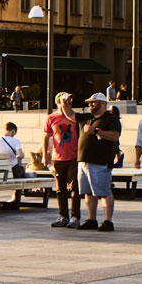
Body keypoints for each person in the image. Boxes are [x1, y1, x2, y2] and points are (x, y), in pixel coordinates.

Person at [77, 94, 121, 232]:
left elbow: (115, 136)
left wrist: (96, 131)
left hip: (100, 162)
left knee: (104, 192)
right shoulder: (87, 118)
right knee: (88, 193)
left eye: (93, 103)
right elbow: (70, 115)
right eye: (89, 103)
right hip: (84, 161)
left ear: (102, 103)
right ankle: (92, 219)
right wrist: (63, 102)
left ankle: (108, 221)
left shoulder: (111, 119)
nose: (90, 105)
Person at [43, 93, 81, 228]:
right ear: (58, 102)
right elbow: (46, 136)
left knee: (74, 188)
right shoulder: (51, 118)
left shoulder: (75, 117)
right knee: (60, 189)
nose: (69, 102)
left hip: (74, 157)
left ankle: (75, 216)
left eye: (70, 100)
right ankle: (63, 215)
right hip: (58, 158)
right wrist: (45, 154)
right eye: (65, 101)